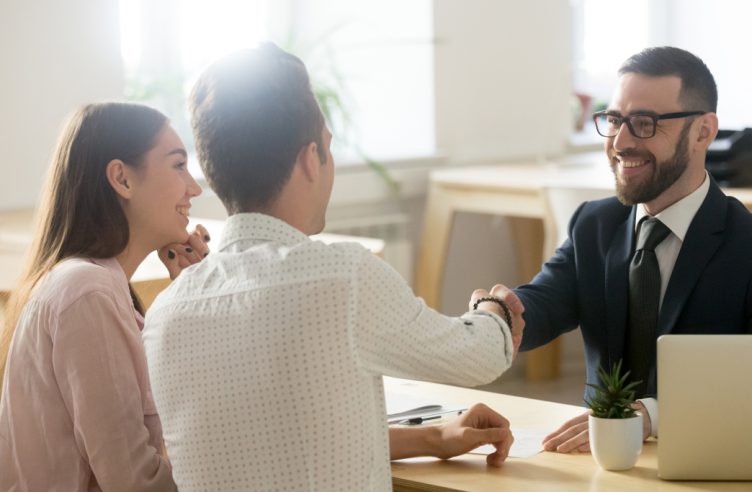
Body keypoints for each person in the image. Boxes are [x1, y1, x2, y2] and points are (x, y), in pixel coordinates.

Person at [142, 43, 524, 491]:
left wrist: (434, 436)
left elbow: (279, 442)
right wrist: (493, 307)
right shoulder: (345, 279)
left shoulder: (163, 316)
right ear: (310, 158)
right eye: (328, 147)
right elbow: (480, 357)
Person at [496, 46, 752, 453]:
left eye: (645, 123)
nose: (621, 142)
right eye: (615, 120)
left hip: (708, 459)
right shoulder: (595, 224)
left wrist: (651, 416)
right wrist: (499, 313)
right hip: (595, 461)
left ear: (703, 131)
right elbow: (544, 301)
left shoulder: (745, 243)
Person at [0, 102, 210, 490]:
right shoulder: (86, 292)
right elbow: (134, 482)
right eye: (179, 165)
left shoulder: (96, 289)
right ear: (122, 179)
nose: (194, 188)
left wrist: (188, 302)